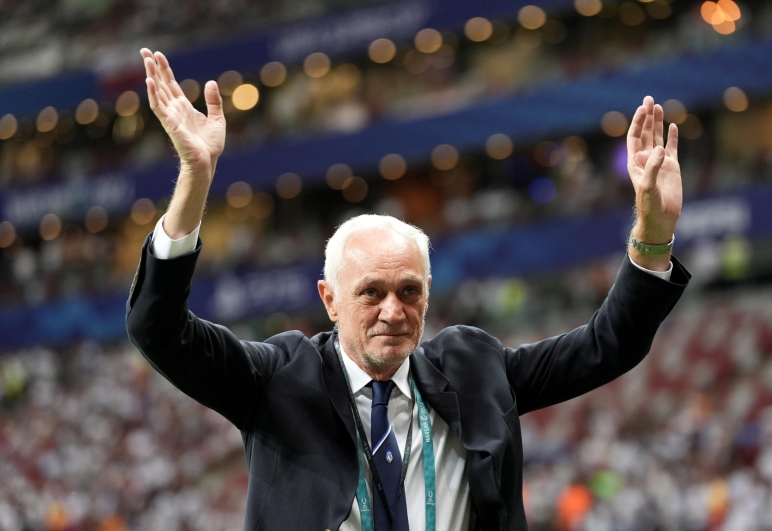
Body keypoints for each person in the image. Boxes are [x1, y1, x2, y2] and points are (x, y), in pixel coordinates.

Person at [125, 48, 690, 531]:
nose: (394, 311)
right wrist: (196, 179)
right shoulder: (276, 380)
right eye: (371, 292)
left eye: (410, 291)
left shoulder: (474, 369)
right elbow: (159, 327)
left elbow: (606, 346)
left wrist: (654, 236)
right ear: (330, 299)